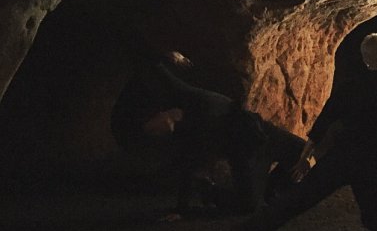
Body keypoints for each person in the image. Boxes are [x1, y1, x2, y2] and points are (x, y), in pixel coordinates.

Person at [224, 33, 377, 231]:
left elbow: (323, 122)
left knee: (295, 200)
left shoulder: (349, 87)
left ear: (365, 58)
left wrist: (306, 157)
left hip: (342, 156)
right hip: (375, 161)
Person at [111, 48, 305, 216]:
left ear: (158, 114)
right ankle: (212, 192)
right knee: (248, 206)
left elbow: (156, 69)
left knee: (302, 151)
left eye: (152, 129)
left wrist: (169, 57)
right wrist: (181, 210)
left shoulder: (188, 97)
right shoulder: (187, 134)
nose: (157, 133)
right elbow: (188, 167)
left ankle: (272, 191)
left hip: (262, 132)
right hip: (245, 153)